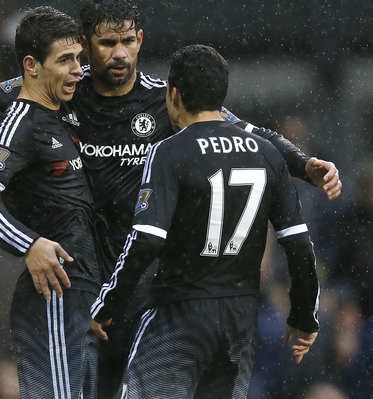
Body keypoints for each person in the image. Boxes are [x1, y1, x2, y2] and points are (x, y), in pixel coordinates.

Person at [0, 0, 340, 398]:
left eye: (127, 41)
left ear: (140, 39)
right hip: (79, 280)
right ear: (86, 45)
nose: (119, 53)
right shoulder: (63, 86)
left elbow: (245, 131)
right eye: (106, 43)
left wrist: (302, 166)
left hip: (141, 288)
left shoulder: (165, 98)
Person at [90, 44, 320, 398]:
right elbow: (300, 245)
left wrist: (109, 303)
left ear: (175, 95)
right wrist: (304, 315)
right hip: (239, 317)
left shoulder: (169, 151)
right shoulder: (267, 153)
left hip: (178, 314)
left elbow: (147, 239)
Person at [0, 6, 100, 398]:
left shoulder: (60, 111)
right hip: (55, 293)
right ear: (32, 66)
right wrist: (30, 244)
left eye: (78, 58)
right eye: (65, 60)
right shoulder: (20, 121)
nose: (78, 69)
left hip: (83, 291)